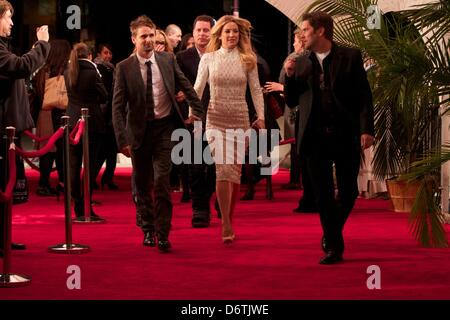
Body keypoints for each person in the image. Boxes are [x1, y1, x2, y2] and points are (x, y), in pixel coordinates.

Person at [284, 11, 374, 264]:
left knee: (348, 192)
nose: (302, 35)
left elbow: (364, 97)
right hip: (313, 136)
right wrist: (289, 76)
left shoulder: (350, 56)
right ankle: (334, 246)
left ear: (321, 30)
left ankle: (331, 232)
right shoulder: (300, 61)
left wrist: (367, 129)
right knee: (322, 194)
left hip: (345, 133)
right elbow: (292, 101)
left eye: (306, 30)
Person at [112, 15, 204, 253]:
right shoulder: (124, 68)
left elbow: (185, 85)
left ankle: (163, 233)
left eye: (151, 35)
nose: (149, 40)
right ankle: (148, 228)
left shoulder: (167, 59)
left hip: (165, 128)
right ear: (134, 39)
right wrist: (122, 140)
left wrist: (199, 111)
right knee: (142, 185)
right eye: (143, 36)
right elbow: (118, 107)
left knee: (162, 182)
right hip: (139, 132)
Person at [192, 15, 265, 244]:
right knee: (223, 170)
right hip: (215, 119)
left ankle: (229, 217)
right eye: (227, 32)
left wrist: (260, 117)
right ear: (220, 35)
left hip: (240, 119)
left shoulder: (248, 59)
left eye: (235, 31)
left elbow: (255, 90)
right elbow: (197, 88)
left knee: (234, 174)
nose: (232, 35)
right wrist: (192, 113)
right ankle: (225, 222)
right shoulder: (209, 59)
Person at [0, 0, 50, 256]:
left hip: (9, 132)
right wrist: (41, 43)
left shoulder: (3, 47)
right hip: (2, 133)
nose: (11, 23)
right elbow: (20, 66)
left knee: (6, 189)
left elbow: (20, 65)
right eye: (7, 17)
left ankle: (4, 239)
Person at [176, 14, 215, 227]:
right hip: (193, 119)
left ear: (212, 32)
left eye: (206, 30)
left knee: (216, 165)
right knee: (196, 164)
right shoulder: (182, 57)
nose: (202, 34)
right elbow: (175, 83)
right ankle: (199, 209)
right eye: (198, 30)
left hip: (218, 117)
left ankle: (208, 197)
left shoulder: (220, 55)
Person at [65, 42, 108, 221]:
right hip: (92, 122)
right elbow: (104, 95)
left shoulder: (68, 72)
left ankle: (77, 204)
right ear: (89, 56)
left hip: (72, 121)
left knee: (73, 165)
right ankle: (86, 204)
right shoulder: (93, 73)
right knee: (90, 166)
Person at [31, 39, 71, 198]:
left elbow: (38, 92)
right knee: (59, 151)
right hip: (58, 113)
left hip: (45, 112)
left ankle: (45, 182)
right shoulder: (65, 69)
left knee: (48, 151)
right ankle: (54, 183)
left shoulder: (44, 69)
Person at [93, 43, 119, 191]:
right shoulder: (98, 68)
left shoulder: (112, 69)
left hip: (111, 113)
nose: (108, 56)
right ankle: (94, 178)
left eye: (110, 53)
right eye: (105, 53)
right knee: (102, 150)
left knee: (111, 149)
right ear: (98, 54)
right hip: (101, 114)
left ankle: (108, 177)